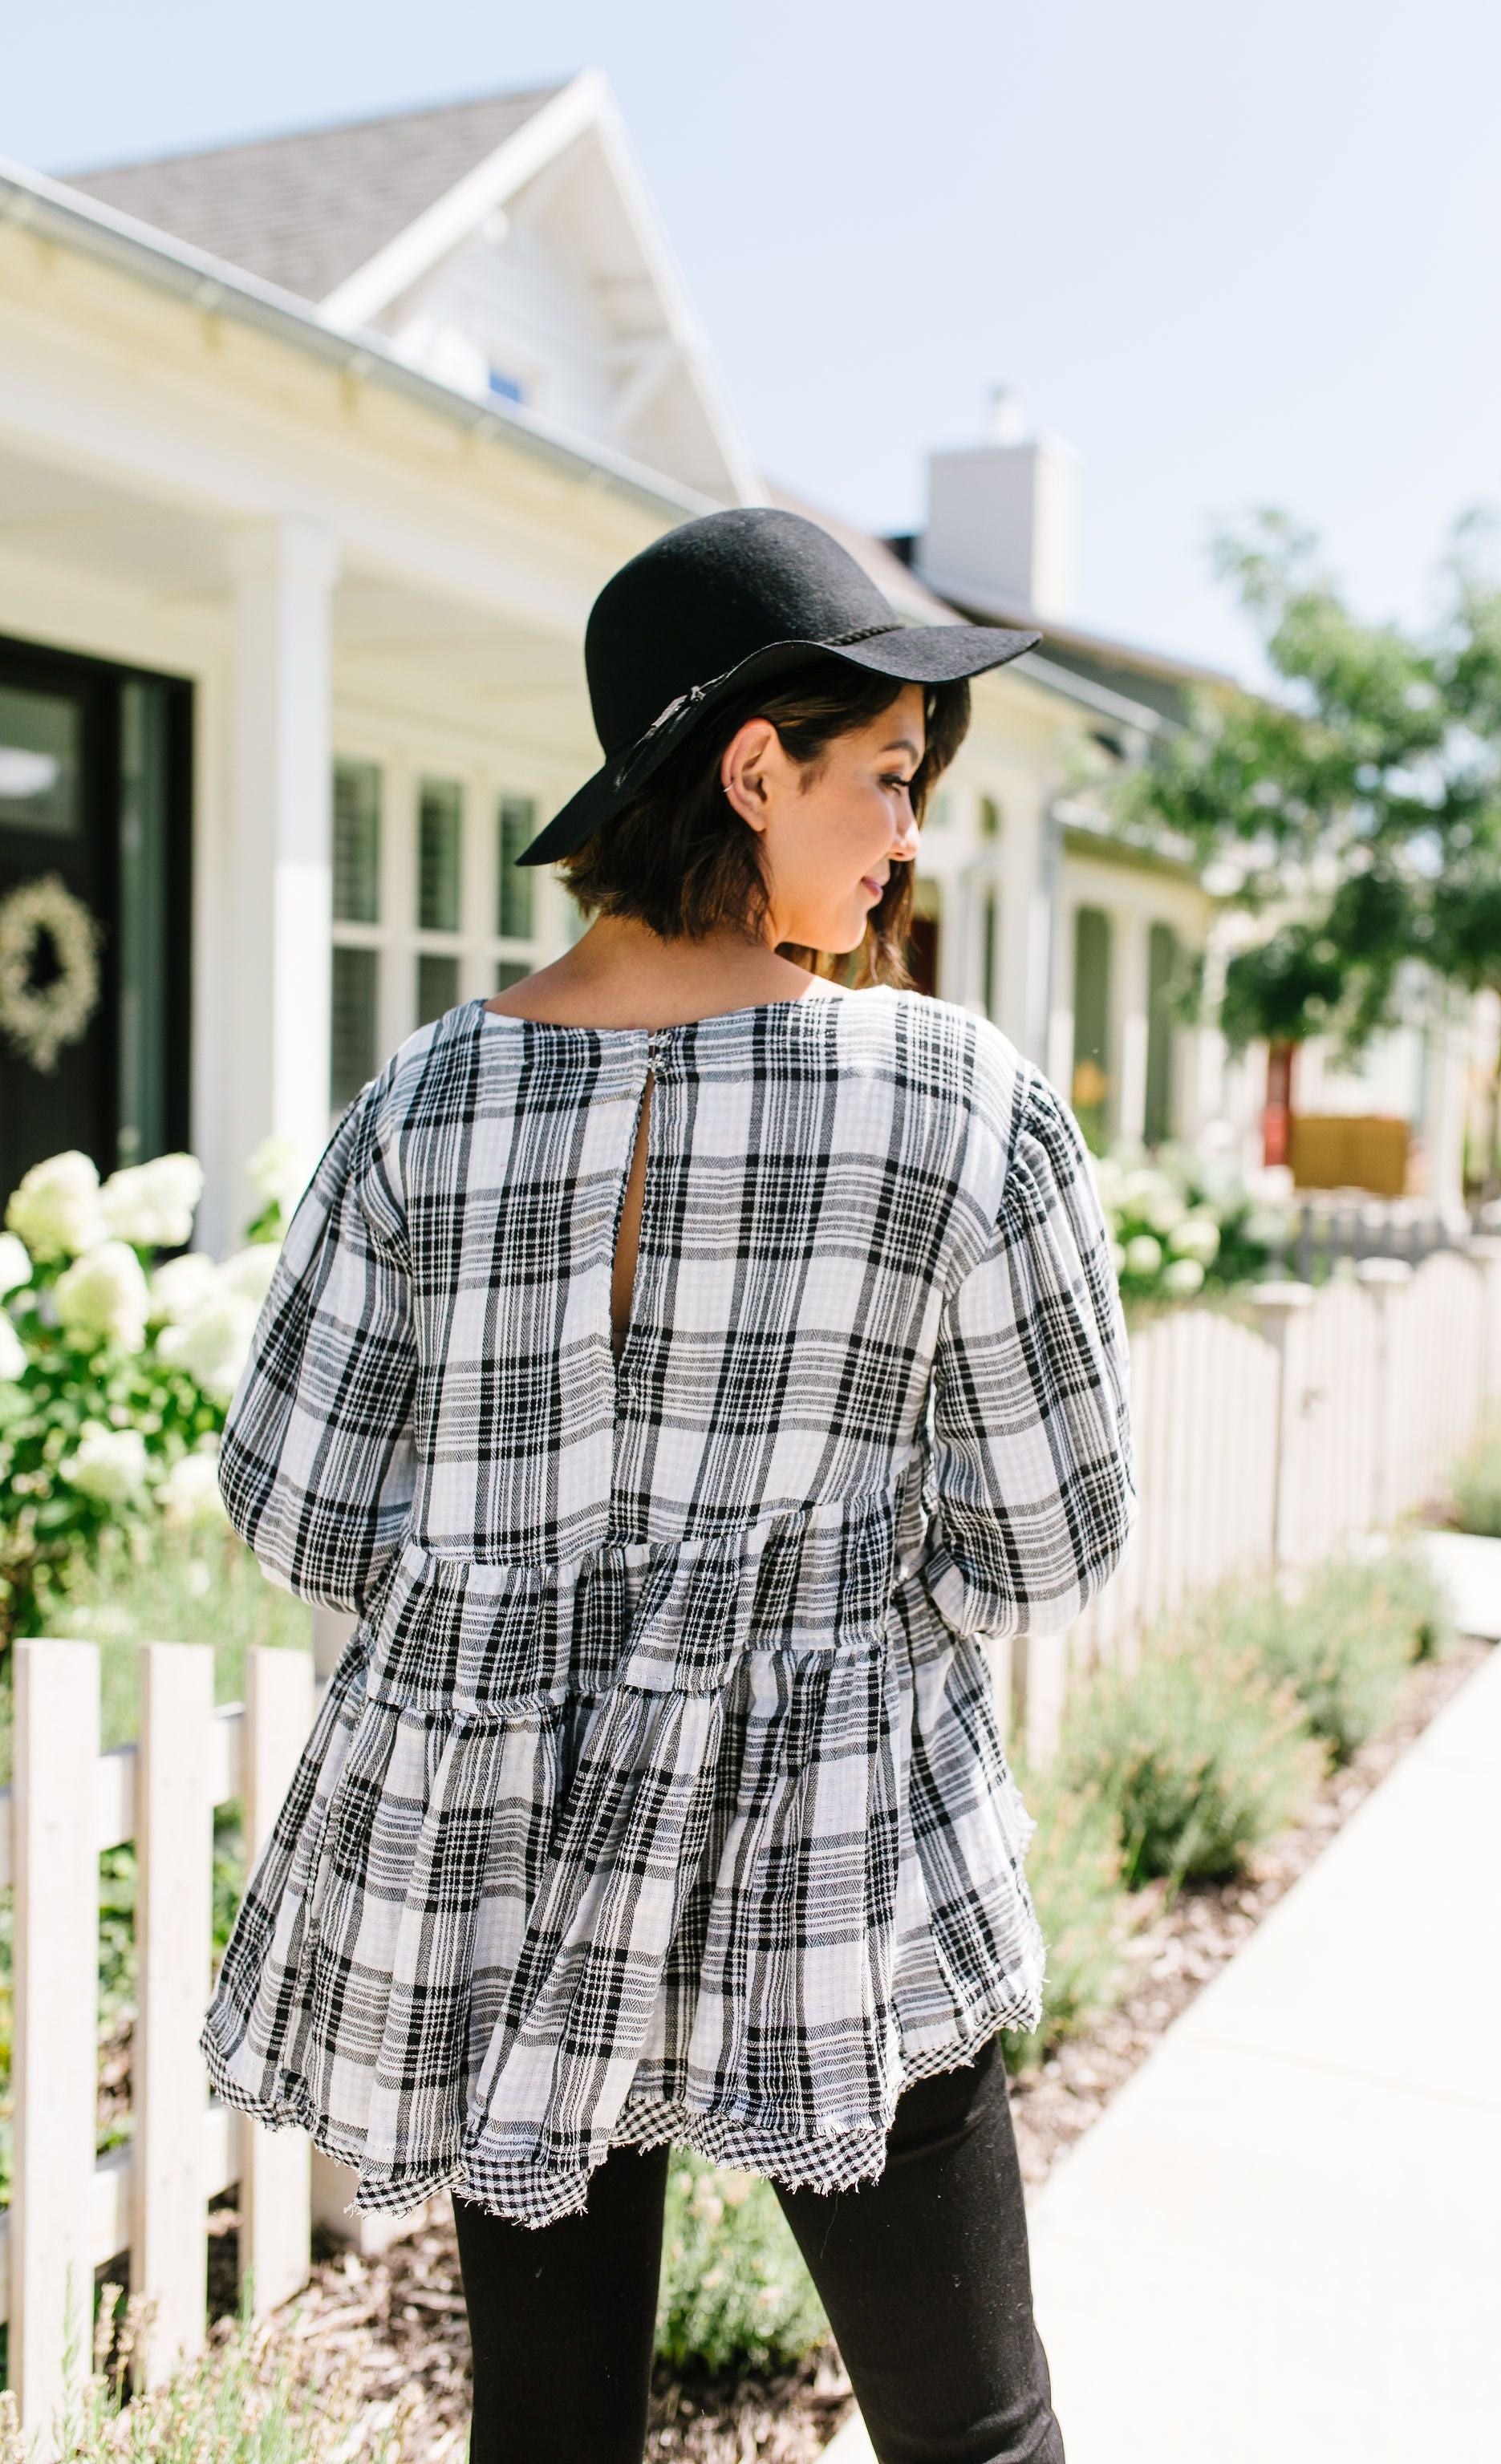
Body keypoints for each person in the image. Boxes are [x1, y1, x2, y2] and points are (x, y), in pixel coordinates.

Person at [204, 508, 1135, 2464]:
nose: (906, 838)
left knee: (547, 2444)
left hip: (499, 1849)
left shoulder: (424, 1101)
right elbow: (1054, 1534)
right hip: (841, 1840)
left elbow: (292, 1504)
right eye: (883, 778)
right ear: (750, 768)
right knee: (972, 2428)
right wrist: (841, 1627)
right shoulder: (953, 1100)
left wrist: (511, 1616)